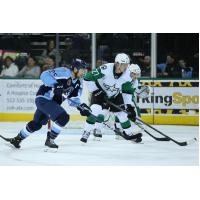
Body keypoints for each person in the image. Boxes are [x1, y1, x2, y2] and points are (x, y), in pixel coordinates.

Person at [1, 59, 91, 149]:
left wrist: (81, 107)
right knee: (63, 117)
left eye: (85, 70)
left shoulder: (79, 83)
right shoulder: (64, 72)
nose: (84, 72)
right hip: (44, 98)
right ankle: (50, 139)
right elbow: (44, 75)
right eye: (82, 70)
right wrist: (55, 84)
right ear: (75, 69)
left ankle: (17, 139)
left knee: (37, 124)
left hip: (52, 103)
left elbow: (73, 98)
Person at [80, 53, 143, 143]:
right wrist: (96, 91)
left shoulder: (128, 74)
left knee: (122, 114)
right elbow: (87, 78)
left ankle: (129, 133)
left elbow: (127, 92)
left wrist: (129, 106)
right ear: (117, 64)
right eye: (124, 65)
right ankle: (86, 132)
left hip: (115, 95)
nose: (126, 67)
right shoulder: (106, 68)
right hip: (100, 93)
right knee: (95, 110)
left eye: (127, 65)